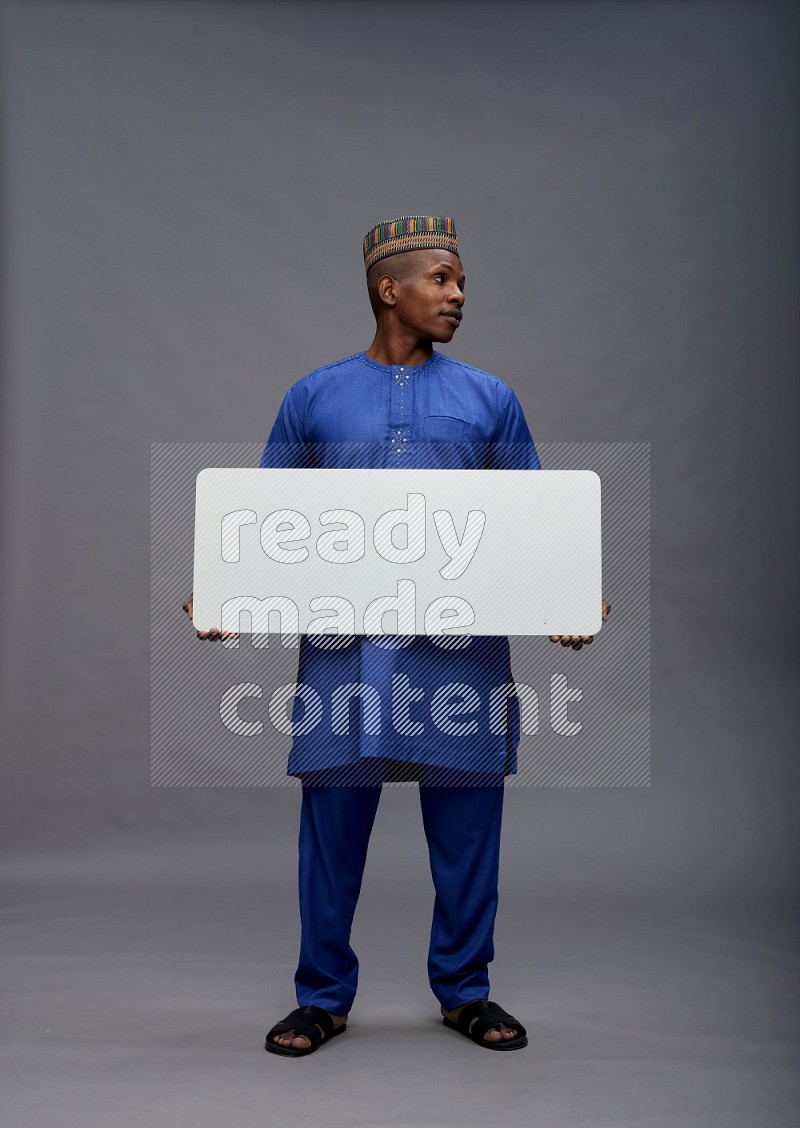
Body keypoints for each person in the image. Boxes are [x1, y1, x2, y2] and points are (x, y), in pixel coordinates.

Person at [183, 215, 610, 1056]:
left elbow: (536, 523)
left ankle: (465, 989)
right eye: (443, 280)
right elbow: (266, 522)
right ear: (391, 288)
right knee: (332, 833)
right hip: (349, 658)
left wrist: (568, 597)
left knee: (467, 831)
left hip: (462, 657)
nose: (457, 296)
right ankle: (322, 995)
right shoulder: (314, 395)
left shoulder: (490, 398)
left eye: (460, 284)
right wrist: (226, 593)